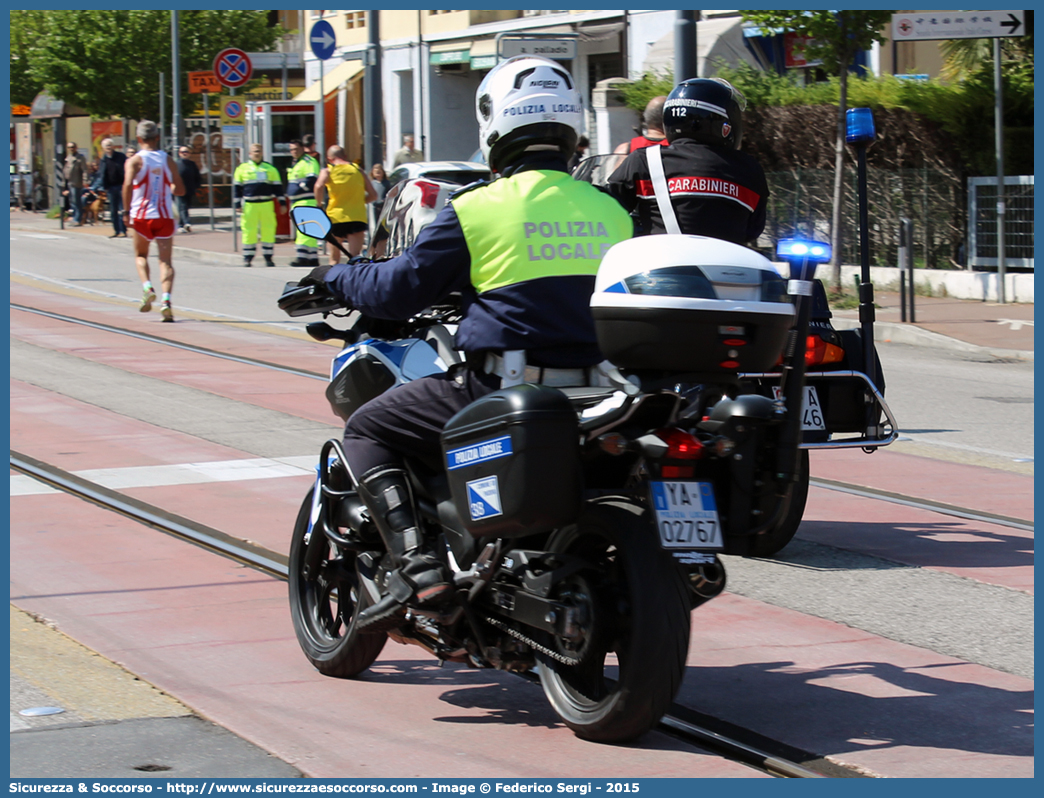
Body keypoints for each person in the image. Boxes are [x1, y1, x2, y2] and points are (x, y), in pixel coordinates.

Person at [295, 56, 632, 631]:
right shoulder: (611, 210)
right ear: (571, 127)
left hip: (502, 385)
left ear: (495, 127)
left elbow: (398, 288)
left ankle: (418, 566)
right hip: (602, 391)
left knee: (368, 429)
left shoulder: (476, 207)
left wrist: (332, 278)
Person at [606, 78, 768, 244]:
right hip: (727, 268)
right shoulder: (750, 170)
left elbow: (607, 213)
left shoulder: (644, 161)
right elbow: (752, 231)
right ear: (726, 125)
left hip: (663, 267)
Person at [122, 120, 185, 322]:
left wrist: (125, 211)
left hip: (142, 216)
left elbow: (127, 186)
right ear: (157, 137)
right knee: (165, 261)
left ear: (139, 139)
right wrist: (171, 189)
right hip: (164, 216)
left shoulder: (134, 161)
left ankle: (148, 287)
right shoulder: (168, 160)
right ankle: (166, 301)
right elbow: (180, 189)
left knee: (141, 255)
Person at [313, 146, 376, 260]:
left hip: (335, 217)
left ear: (329, 159)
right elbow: (373, 195)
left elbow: (318, 186)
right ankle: (353, 277)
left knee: (334, 257)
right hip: (357, 216)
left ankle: (333, 276)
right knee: (354, 256)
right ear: (345, 156)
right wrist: (358, 202)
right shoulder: (357, 169)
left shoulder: (328, 170)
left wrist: (320, 205)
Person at [233, 144, 287, 267]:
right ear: (249, 154)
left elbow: (277, 187)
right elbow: (237, 188)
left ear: (262, 152)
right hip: (249, 205)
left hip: (266, 204)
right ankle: (248, 258)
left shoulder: (270, 168)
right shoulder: (242, 168)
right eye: (254, 151)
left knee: (268, 229)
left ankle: (268, 257)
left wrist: (282, 203)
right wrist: (237, 204)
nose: (257, 153)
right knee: (248, 231)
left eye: (259, 151)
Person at [286, 138, 321, 267]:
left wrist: (301, 187)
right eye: (291, 150)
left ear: (302, 148)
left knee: (303, 228)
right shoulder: (296, 163)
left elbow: (312, 179)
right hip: (298, 201)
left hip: (306, 200)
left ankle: (301, 256)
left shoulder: (309, 161)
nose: (293, 152)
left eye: (296, 149)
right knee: (309, 229)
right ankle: (312, 257)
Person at [98, 138, 128, 237]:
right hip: (110, 188)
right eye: (106, 146)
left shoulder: (121, 156)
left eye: (110, 145)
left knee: (122, 210)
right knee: (113, 211)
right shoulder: (103, 159)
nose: (108, 147)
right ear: (103, 148)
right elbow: (101, 174)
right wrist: (102, 186)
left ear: (113, 146)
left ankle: (123, 231)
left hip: (121, 186)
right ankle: (116, 231)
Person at [62, 141, 89, 226]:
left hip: (77, 182)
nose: (71, 148)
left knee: (77, 201)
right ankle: (75, 217)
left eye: (73, 147)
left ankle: (78, 219)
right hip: (69, 182)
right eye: (69, 147)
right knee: (72, 201)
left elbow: (85, 170)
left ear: (76, 147)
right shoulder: (68, 158)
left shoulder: (80, 158)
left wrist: (85, 181)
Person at [176, 145, 201, 233]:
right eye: (183, 152)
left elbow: (197, 176)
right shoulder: (176, 164)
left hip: (190, 189)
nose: (185, 153)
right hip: (178, 189)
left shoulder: (192, 164)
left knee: (186, 206)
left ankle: (181, 224)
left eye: (186, 152)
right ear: (179, 153)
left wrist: (197, 186)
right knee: (182, 206)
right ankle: (186, 223)